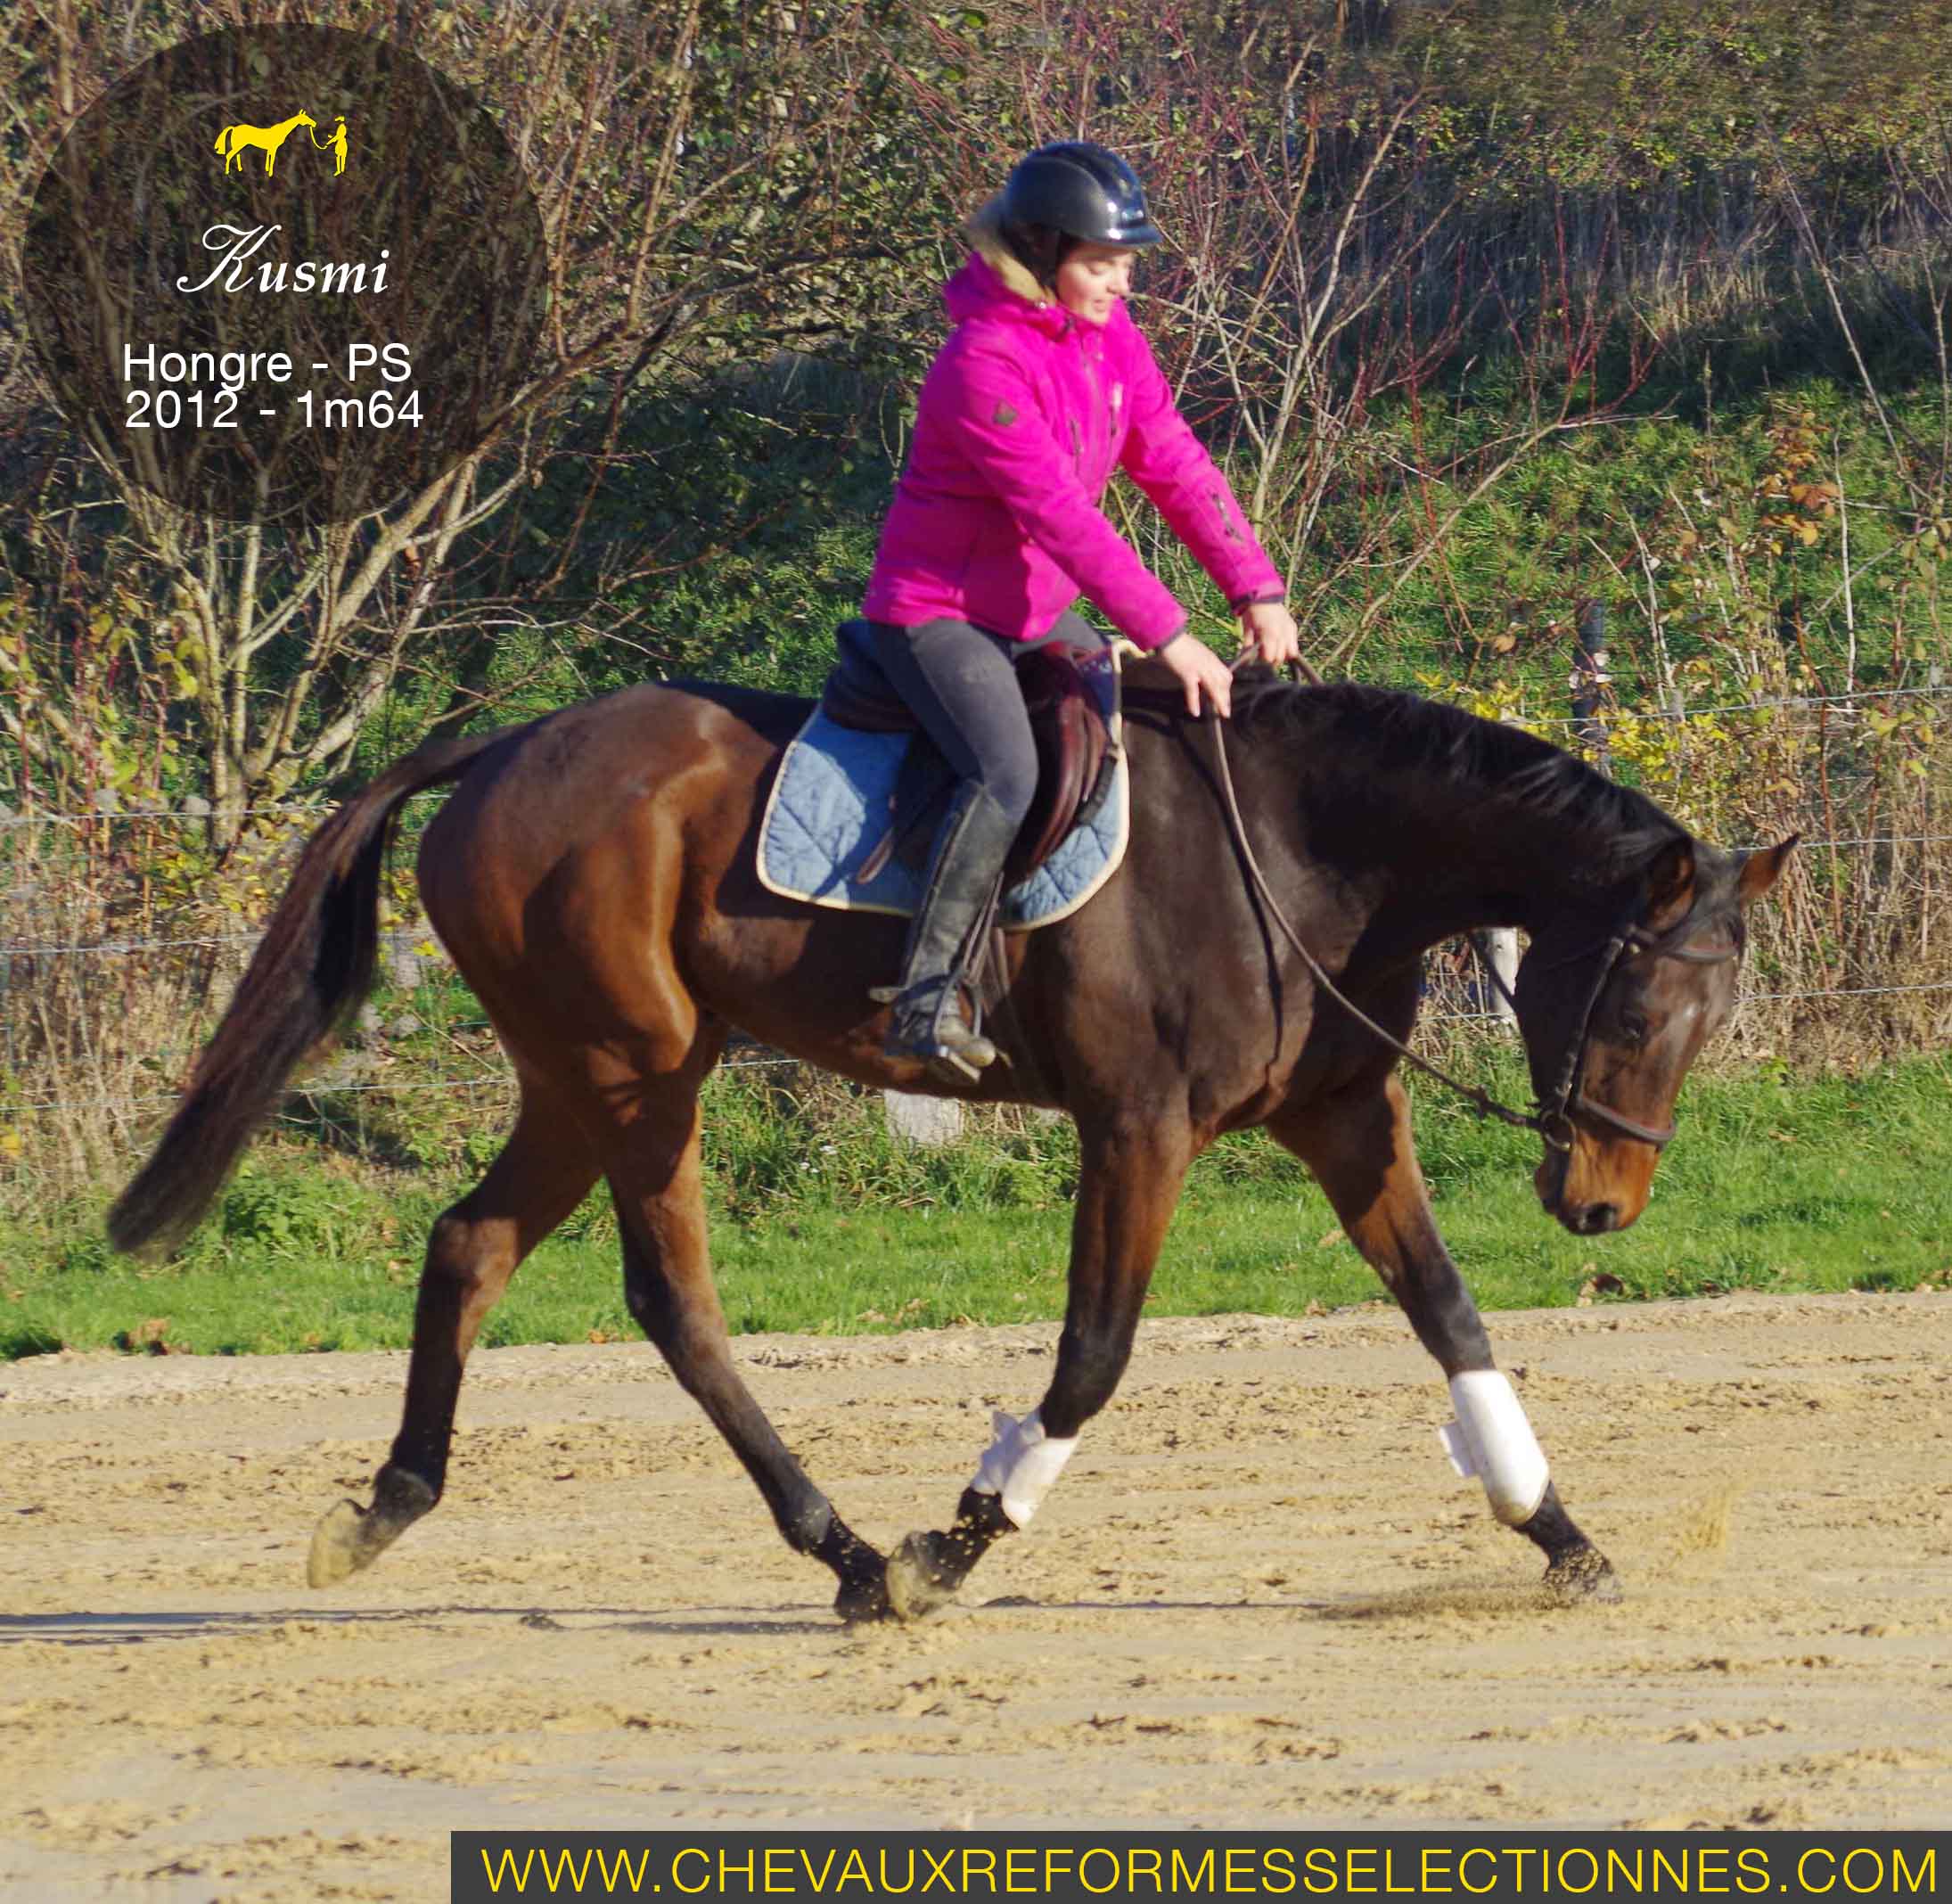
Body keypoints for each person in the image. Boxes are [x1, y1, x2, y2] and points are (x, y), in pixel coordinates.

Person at [861, 140, 1304, 1086]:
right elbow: (1058, 514)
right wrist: (1172, 633)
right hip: (938, 613)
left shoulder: (1114, 345)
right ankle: (927, 996)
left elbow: (1176, 465)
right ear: (1040, 253)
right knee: (1007, 772)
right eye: (1102, 265)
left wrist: (1255, 586)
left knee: (1150, 730)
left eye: (1127, 264)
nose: (1121, 284)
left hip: (1035, 611)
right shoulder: (979, 364)